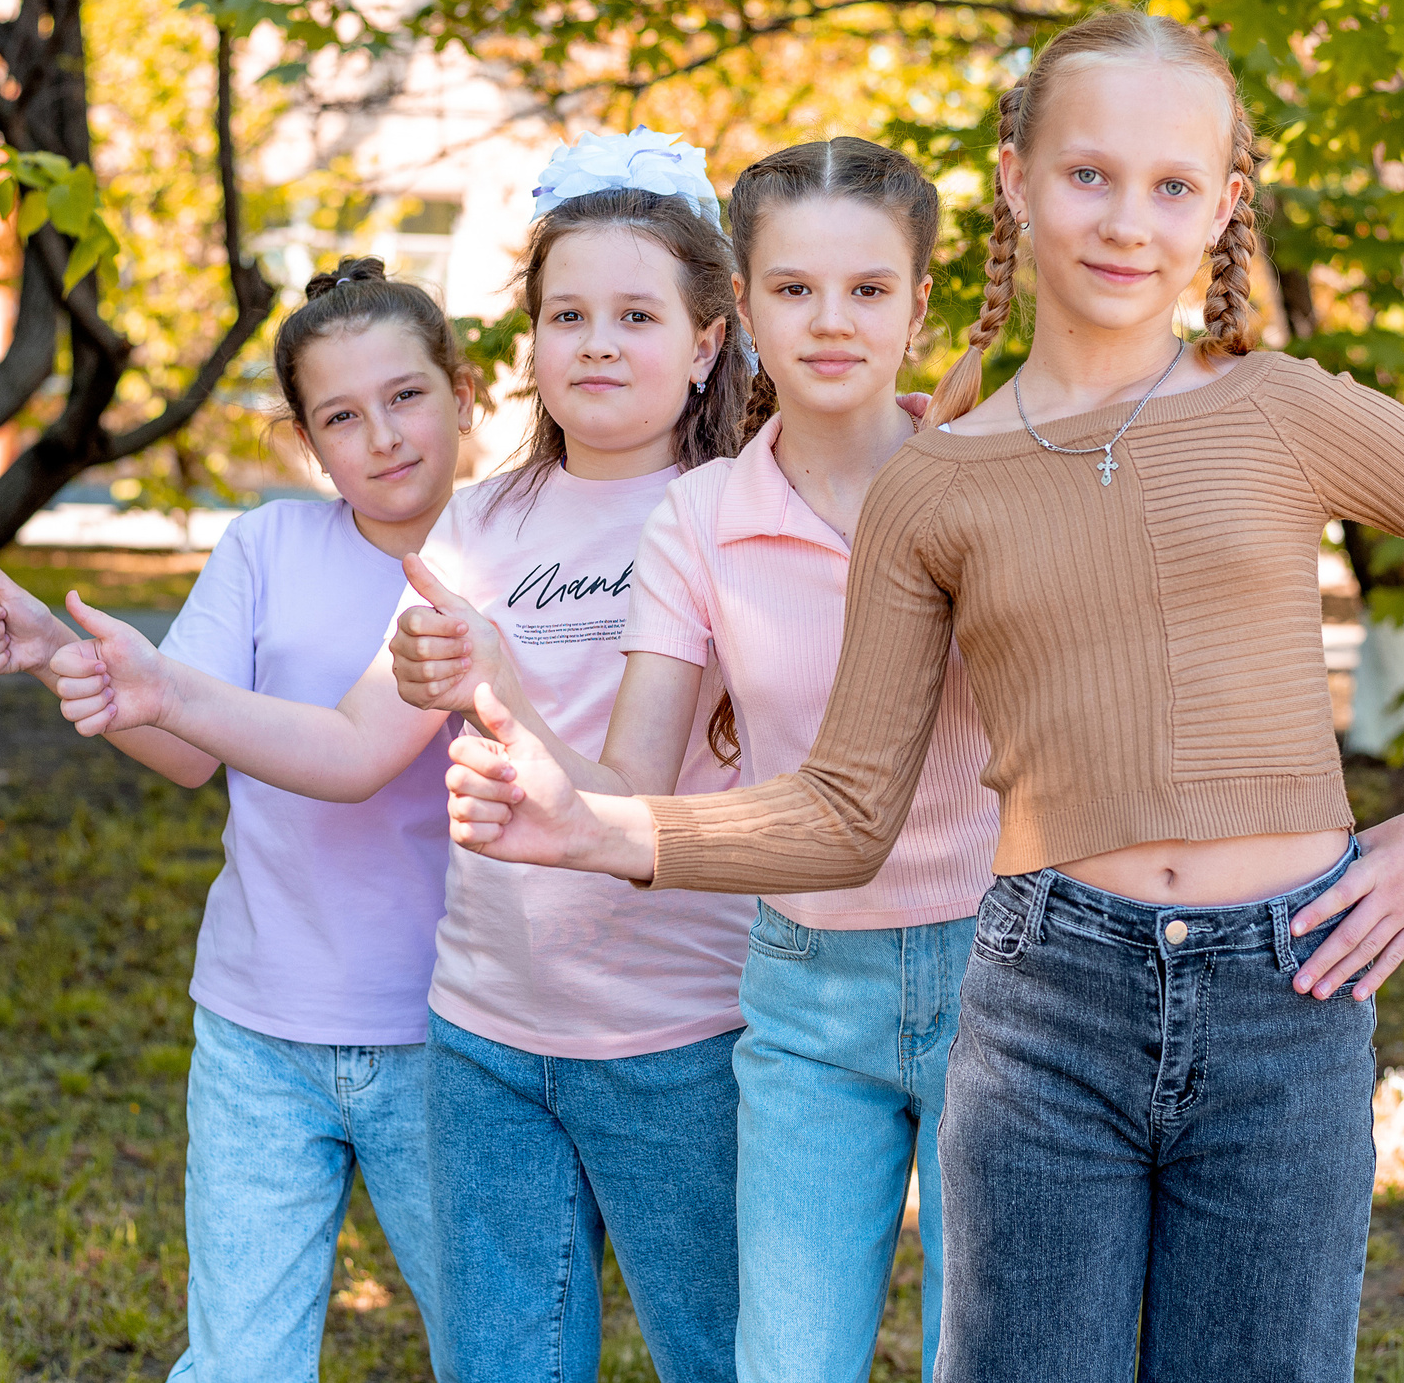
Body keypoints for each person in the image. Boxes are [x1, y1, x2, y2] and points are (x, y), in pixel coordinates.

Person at [436, 9, 1404, 1382]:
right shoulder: (937, 483)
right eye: (1088, 175)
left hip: (1289, 989)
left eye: (1175, 186)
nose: (1129, 221)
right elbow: (846, 808)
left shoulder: (1283, 408)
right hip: (1045, 997)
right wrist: (598, 828)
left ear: (1225, 207)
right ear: (1016, 180)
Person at [40, 129, 757, 1383]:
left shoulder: (740, 511)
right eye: (566, 313)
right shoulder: (479, 523)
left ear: (705, 339)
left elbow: (639, 796)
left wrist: (502, 674)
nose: (595, 341)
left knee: (724, 1355)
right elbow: (350, 745)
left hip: (674, 1031)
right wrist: (164, 687)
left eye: (636, 313)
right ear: (525, 344)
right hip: (484, 1031)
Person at [391, 138, 998, 1382]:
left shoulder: (989, 479)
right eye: (794, 289)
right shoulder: (703, 516)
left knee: (987, 1352)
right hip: (798, 976)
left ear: (919, 302)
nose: (831, 321)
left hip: (996, 966)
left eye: (870, 290)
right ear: (750, 312)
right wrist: (515, 720)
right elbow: (631, 785)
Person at [0, 258, 474, 1382]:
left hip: (449, 1035)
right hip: (257, 1027)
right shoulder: (266, 546)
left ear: (463, 393)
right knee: (240, 1360)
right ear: (306, 439)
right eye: (341, 415)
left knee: (490, 1349)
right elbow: (184, 743)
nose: (381, 436)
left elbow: (343, 748)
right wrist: (56, 650)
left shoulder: (510, 553)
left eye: (406, 396)